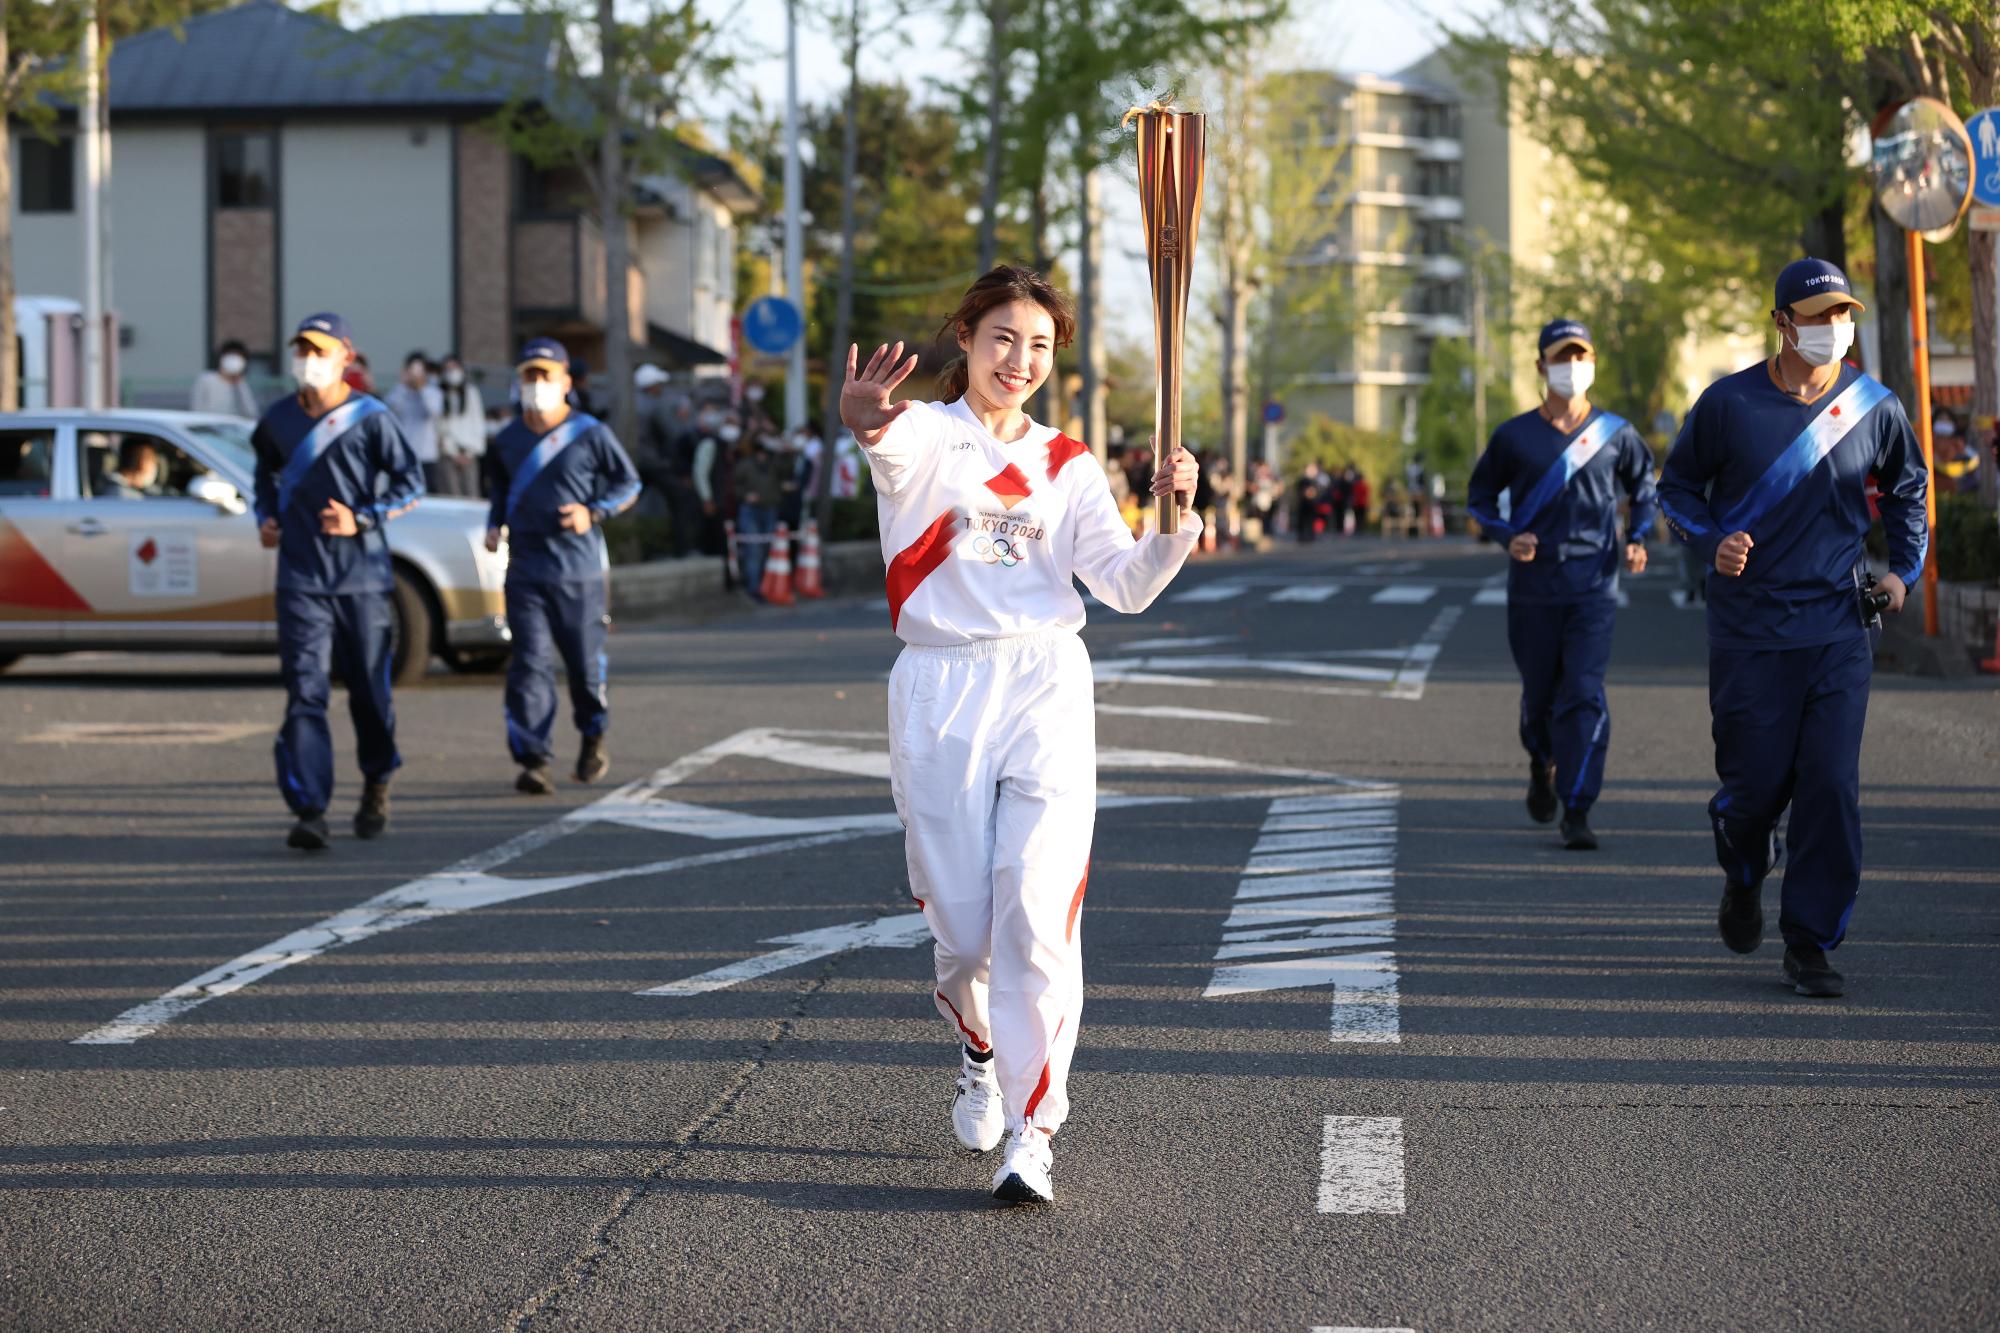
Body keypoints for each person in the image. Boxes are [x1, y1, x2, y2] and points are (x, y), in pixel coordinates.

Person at [840, 265, 1201, 1207]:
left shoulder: (1070, 462)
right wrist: (863, 413)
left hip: (1044, 680)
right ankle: (978, 1047)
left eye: (1039, 345)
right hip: (940, 688)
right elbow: (879, 437)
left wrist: (1173, 518)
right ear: (966, 335)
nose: (1021, 359)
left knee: (1039, 914)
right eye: (1004, 337)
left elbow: (1122, 583)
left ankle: (1035, 1130)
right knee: (963, 938)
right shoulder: (923, 434)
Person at [1658, 257, 1927, 998]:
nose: (1834, 328)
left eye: (1843, 314)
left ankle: (1810, 940)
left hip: (1838, 628)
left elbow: (1909, 489)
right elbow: (1675, 487)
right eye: (1818, 316)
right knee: (1751, 794)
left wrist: (1902, 570)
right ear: (1783, 323)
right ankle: (1744, 873)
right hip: (1749, 632)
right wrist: (1712, 539)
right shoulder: (1729, 404)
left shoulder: (1875, 406)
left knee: (1831, 786)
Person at [1466, 318, 1657, 852]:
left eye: (1581, 356)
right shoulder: (1514, 436)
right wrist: (1507, 537)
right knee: (1540, 695)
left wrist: (1639, 536)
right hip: (1533, 586)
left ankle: (1578, 806)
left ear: (1592, 364)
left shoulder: (1617, 434)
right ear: (1541, 366)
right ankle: (1541, 760)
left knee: (1583, 693)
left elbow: (1645, 488)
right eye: (1561, 357)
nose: (1573, 366)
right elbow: (1479, 499)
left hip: (1593, 585)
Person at [251, 313, 423, 850]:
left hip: (362, 579)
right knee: (305, 692)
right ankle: (310, 809)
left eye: (320, 350)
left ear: (345, 356)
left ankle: (377, 778)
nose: (309, 359)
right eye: (302, 349)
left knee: (369, 694)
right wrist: (265, 515)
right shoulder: (277, 418)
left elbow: (410, 482)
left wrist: (362, 518)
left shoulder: (372, 418)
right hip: (301, 577)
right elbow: (263, 475)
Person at [485, 338, 642, 794]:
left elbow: (628, 483)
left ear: (565, 382)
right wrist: (494, 524)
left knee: (583, 668)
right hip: (526, 569)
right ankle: (534, 759)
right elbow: (499, 493)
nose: (536, 385)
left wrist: (591, 512)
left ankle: (593, 734)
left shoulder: (590, 433)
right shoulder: (506, 440)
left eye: (545, 376)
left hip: (579, 572)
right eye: (528, 376)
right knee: (529, 664)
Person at [731, 424, 779, 599]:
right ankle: (753, 588)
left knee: (768, 550)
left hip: (769, 508)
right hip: (750, 510)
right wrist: (746, 496)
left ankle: (767, 586)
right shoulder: (745, 464)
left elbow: (789, 471)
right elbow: (735, 487)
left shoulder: (774, 462)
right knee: (754, 550)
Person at [386, 352, 444, 496]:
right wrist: (404, 384)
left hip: (426, 456)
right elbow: (391, 408)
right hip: (403, 454)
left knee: (428, 496)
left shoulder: (433, 392)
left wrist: (421, 388)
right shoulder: (400, 391)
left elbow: (432, 411)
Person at [434, 354, 487, 498]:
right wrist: (452, 452)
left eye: (454, 368)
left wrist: (470, 452)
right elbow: (439, 427)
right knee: (450, 495)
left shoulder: (471, 392)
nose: (451, 372)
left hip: (469, 452)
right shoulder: (437, 394)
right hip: (448, 454)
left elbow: (477, 422)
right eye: (447, 369)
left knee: (471, 494)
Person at [191, 341, 259, 418]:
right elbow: (197, 410)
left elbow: (251, 413)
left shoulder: (241, 384)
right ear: (222, 358)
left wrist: (238, 384)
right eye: (231, 356)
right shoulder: (206, 380)